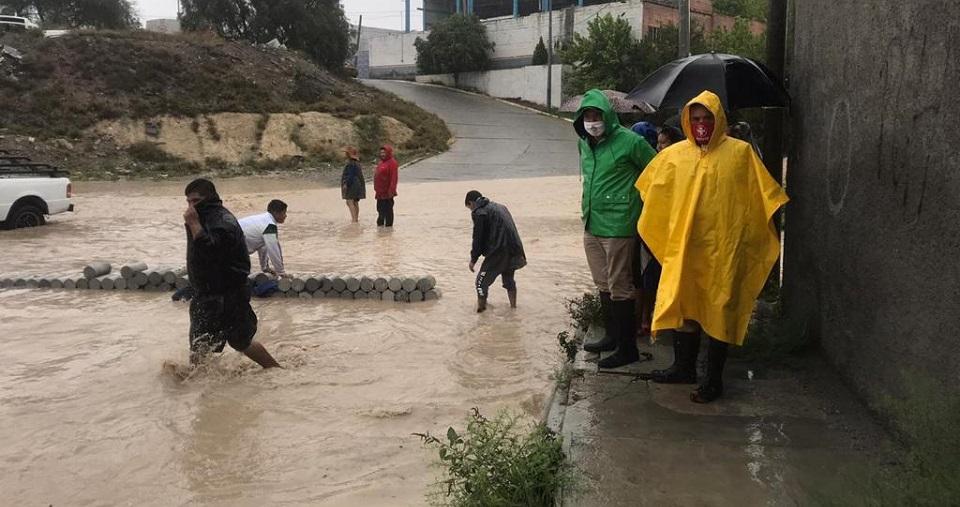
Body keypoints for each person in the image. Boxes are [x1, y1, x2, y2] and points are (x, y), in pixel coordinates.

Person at [635, 91, 788, 403]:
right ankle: (683, 368)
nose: (701, 124)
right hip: (685, 251)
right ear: (687, 121)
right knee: (686, 307)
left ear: (719, 120)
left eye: (707, 118)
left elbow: (764, 199)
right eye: (696, 118)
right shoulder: (674, 156)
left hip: (723, 251)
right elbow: (651, 194)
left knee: (719, 312)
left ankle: (713, 380)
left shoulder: (740, 155)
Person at [575, 89, 657, 369]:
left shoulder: (631, 142)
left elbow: (657, 171)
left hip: (620, 224)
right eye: (587, 115)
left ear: (608, 116)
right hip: (592, 222)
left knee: (620, 286)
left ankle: (628, 348)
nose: (592, 120)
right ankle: (611, 337)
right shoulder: (584, 143)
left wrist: (638, 203)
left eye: (597, 115)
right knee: (602, 283)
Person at [183, 178, 280, 369]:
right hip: (207, 293)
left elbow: (211, 252)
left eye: (195, 201)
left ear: (209, 198)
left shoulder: (222, 222)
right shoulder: (205, 218)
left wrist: (194, 224)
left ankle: (275, 370)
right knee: (201, 344)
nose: (191, 207)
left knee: (239, 341)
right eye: (188, 202)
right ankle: (196, 386)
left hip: (227, 294)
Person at [465, 190, 526, 313]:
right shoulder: (501, 207)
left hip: (498, 251)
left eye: (469, 207)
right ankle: (513, 309)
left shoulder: (479, 212)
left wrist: (473, 259)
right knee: (509, 280)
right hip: (514, 249)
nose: (471, 210)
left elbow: (478, 237)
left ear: (471, 203)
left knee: (480, 283)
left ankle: (481, 312)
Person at [239, 199, 288, 278]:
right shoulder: (270, 225)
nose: (285, 216)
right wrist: (281, 272)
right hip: (233, 248)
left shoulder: (262, 219)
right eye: (284, 213)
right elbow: (273, 250)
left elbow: (263, 246)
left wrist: (265, 268)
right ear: (276, 213)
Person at [374, 145, 399, 227]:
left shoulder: (392, 163)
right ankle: (380, 230)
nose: (382, 154)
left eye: (384, 152)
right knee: (380, 210)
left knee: (388, 211)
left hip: (388, 192)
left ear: (388, 152)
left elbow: (394, 178)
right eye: (381, 152)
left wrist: (391, 190)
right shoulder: (381, 163)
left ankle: (388, 230)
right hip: (379, 192)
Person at [341, 147, 365, 223]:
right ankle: (356, 219)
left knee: (349, 201)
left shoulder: (351, 163)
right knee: (355, 201)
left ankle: (354, 219)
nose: (345, 154)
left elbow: (351, 175)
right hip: (357, 183)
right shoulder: (356, 162)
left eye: (346, 153)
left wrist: (346, 184)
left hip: (352, 184)